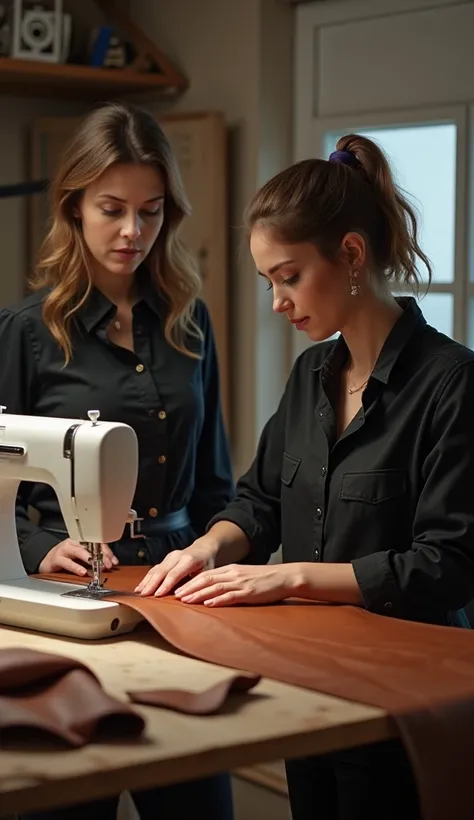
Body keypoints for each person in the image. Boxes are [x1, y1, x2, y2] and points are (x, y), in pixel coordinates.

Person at [135, 134, 474, 820]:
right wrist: (206, 548)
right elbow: (260, 501)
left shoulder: (453, 384)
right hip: (308, 685)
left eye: (288, 276)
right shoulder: (308, 376)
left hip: (407, 700)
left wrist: (287, 578)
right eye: (268, 283)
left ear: (351, 255)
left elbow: (447, 565)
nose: (276, 303)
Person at [0, 101, 235, 820]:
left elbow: (217, 480)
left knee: (199, 802)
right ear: (73, 208)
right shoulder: (26, 334)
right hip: (65, 599)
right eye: (112, 209)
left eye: (152, 211)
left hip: (179, 598)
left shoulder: (190, 322)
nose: (134, 231)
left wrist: (214, 557)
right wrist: (41, 545)